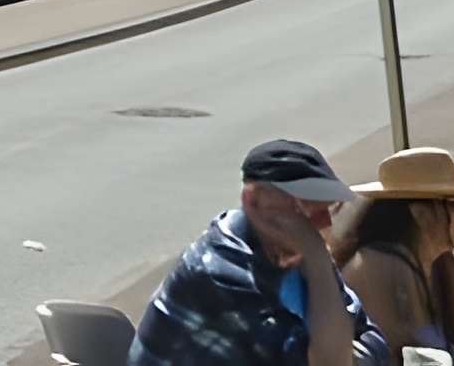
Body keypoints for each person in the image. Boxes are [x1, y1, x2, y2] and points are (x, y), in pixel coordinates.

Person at [129, 139, 391, 365]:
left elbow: (373, 337)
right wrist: (319, 259)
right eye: (306, 207)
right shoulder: (222, 273)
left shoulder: (297, 256)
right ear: (253, 202)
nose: (323, 224)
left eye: (329, 208)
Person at [332, 148, 454, 357]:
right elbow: (409, 356)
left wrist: (447, 267)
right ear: (420, 213)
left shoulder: (439, 260)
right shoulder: (381, 265)